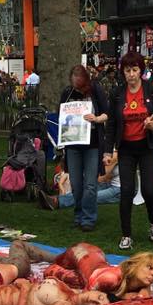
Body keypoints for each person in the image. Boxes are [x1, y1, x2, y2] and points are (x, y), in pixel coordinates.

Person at [105, 51, 153, 251]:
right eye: (127, 70)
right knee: (127, 191)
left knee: (149, 189)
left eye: (134, 70)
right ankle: (126, 235)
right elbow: (112, 123)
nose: (131, 74)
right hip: (126, 149)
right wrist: (108, 150)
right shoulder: (116, 93)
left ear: (141, 70)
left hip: (148, 147)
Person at [58, 64, 109, 232]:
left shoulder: (95, 90)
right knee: (76, 184)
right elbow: (60, 116)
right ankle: (78, 214)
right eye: (74, 85)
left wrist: (96, 118)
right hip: (73, 144)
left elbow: (107, 113)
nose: (76, 88)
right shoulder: (67, 93)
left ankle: (88, 218)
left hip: (92, 144)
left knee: (90, 184)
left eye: (79, 85)